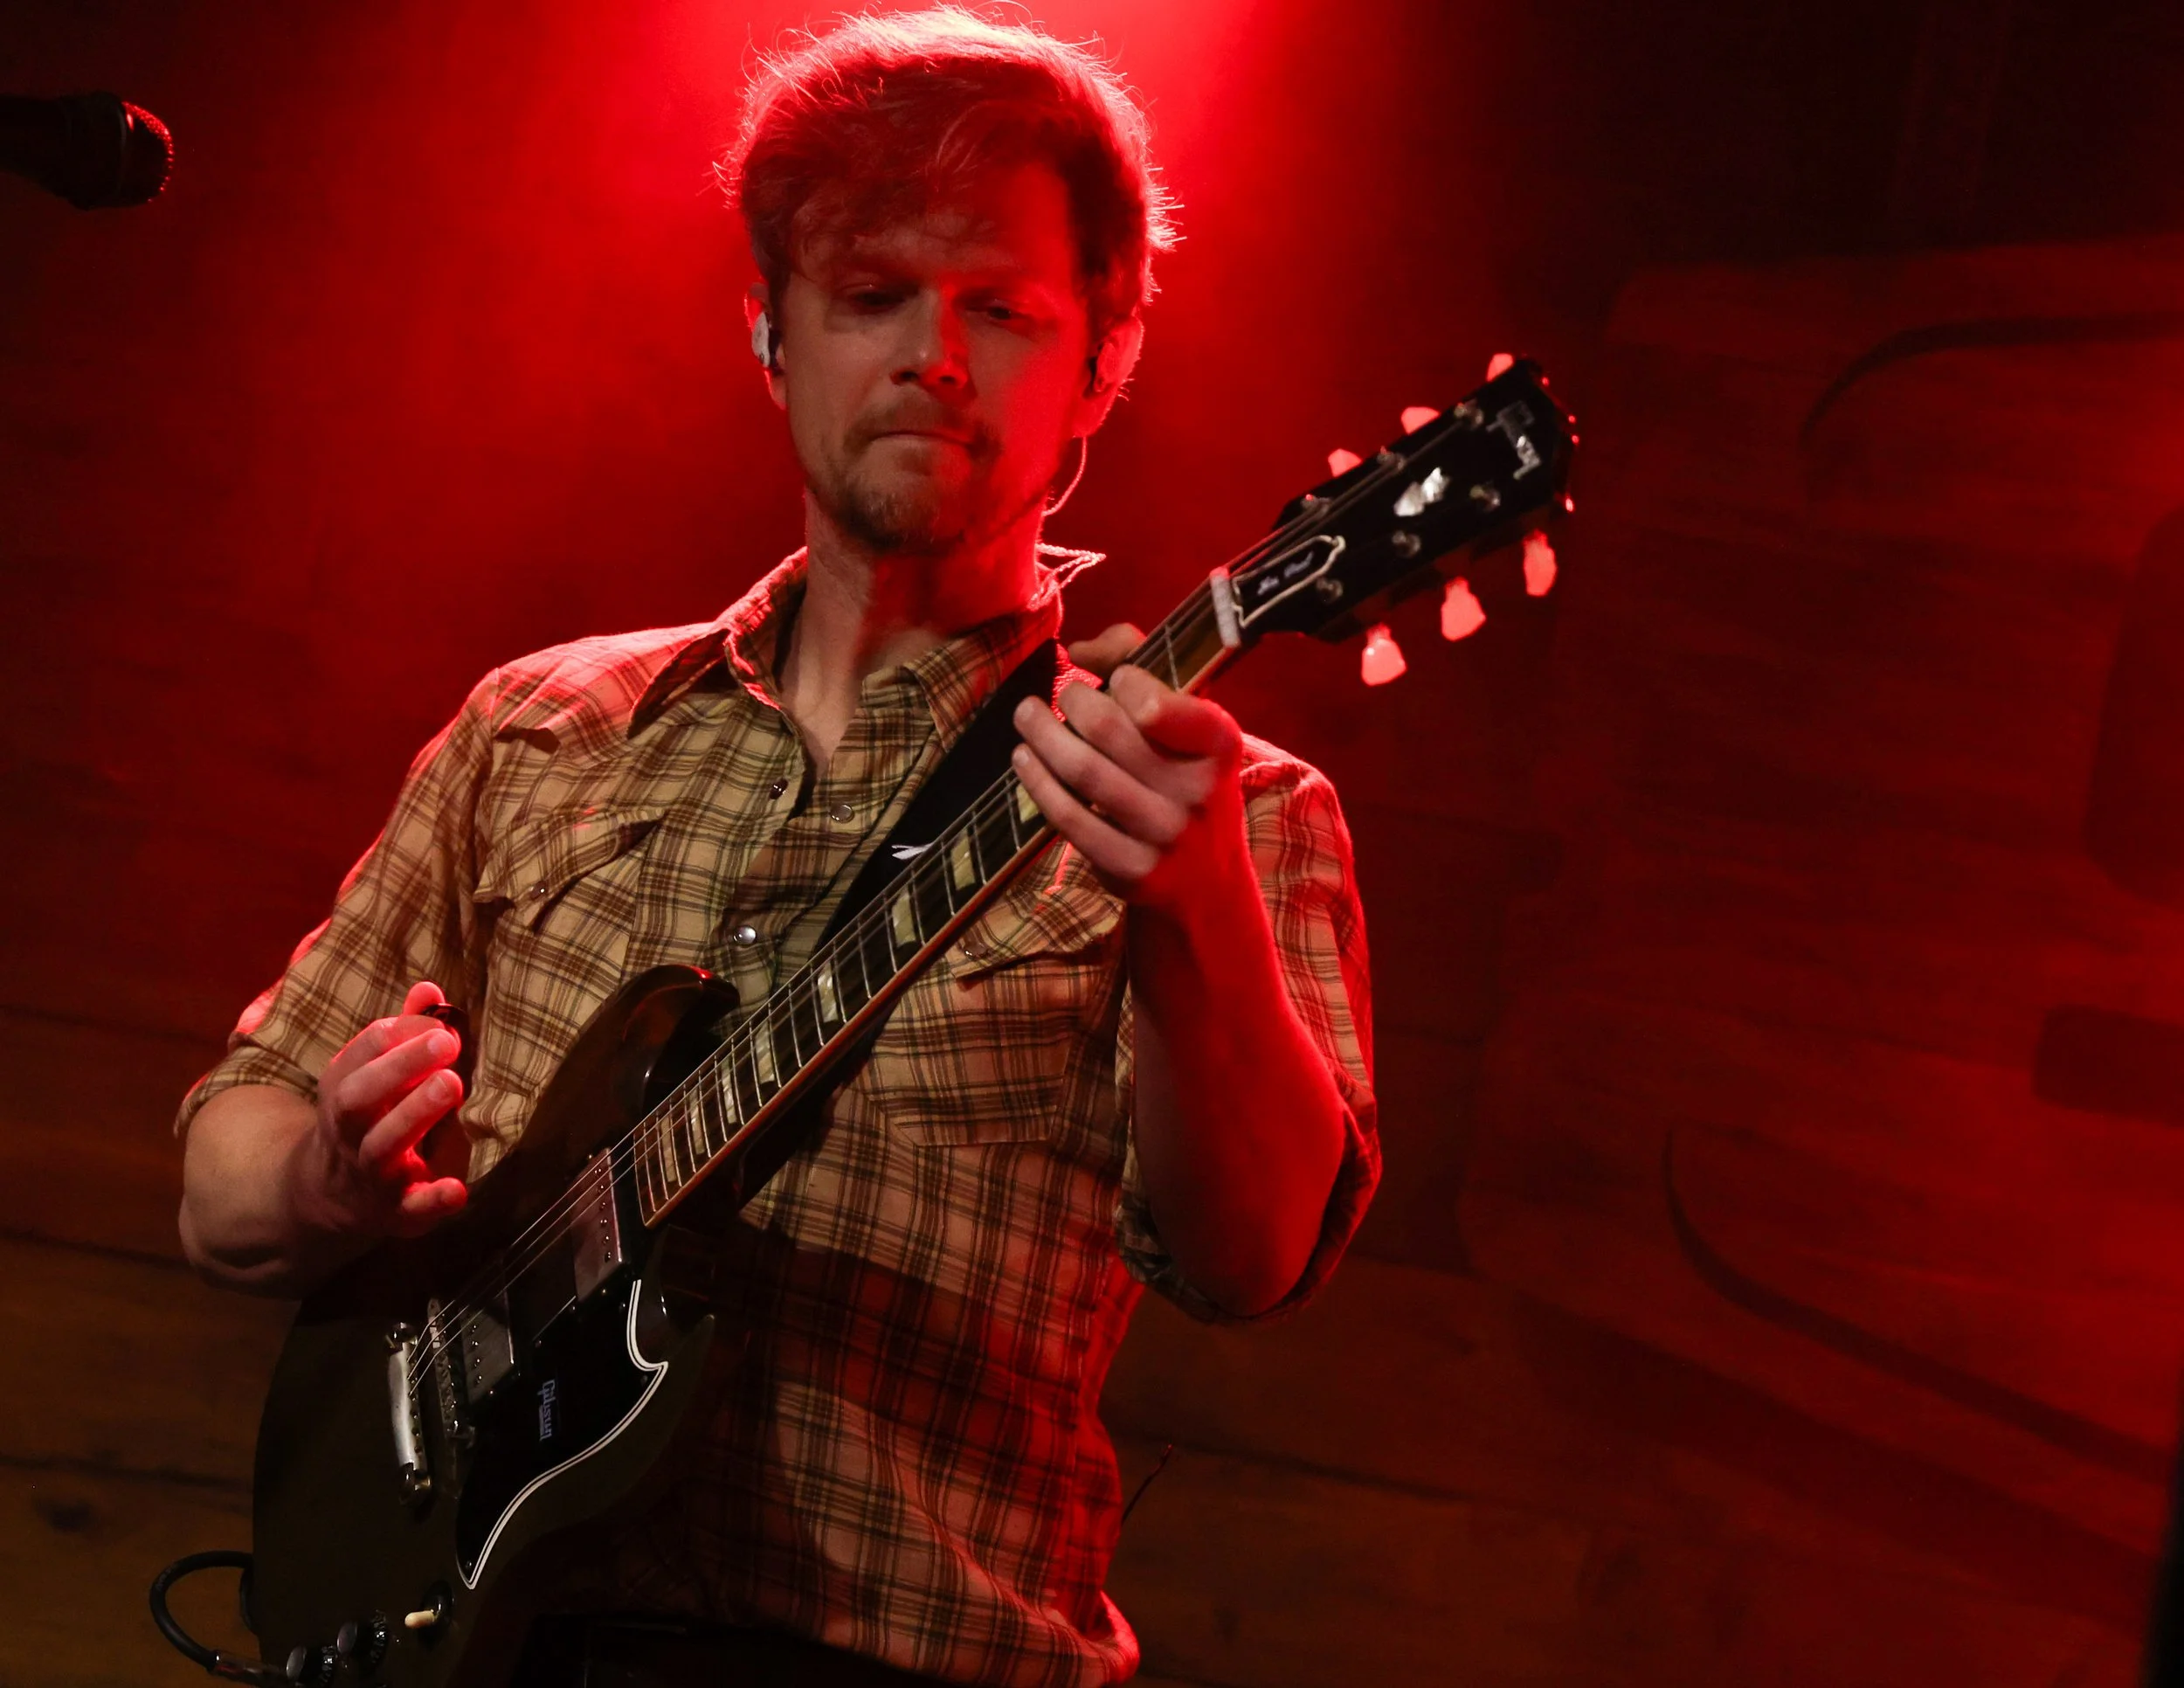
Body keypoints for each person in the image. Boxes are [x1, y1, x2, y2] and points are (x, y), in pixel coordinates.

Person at [176, 10, 1379, 1685]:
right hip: (485, 1643)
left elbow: (1250, 1263)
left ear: (1104, 358)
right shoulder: (544, 726)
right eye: (871, 294)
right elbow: (221, 1173)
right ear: (772, 337)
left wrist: (1190, 918)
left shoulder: (1232, 810)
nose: (934, 358)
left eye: (1005, 311)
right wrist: (320, 1176)